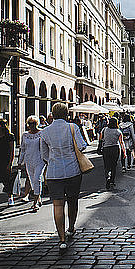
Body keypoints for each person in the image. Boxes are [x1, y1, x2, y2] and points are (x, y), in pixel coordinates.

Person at [40, 103, 87, 253]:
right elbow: (82, 146)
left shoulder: (45, 131)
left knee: (57, 205)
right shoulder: (72, 127)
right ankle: (71, 228)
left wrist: (53, 160)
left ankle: (61, 239)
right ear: (66, 114)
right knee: (72, 201)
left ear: (52, 114)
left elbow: (44, 155)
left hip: (54, 173)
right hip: (72, 170)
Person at [18, 116, 45, 212]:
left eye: (33, 123)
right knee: (32, 180)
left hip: (39, 160)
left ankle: (35, 202)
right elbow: (23, 149)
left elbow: (45, 146)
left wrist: (46, 158)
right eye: (30, 124)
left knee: (37, 178)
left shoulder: (41, 133)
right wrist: (20, 161)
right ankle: (38, 197)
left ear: (36, 124)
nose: (31, 126)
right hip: (28, 160)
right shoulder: (25, 135)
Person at [0, 119, 15, 212]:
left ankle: (10, 197)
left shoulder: (9, 136)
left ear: (3, 126)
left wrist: (10, 164)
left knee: (7, 182)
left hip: (4, 162)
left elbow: (12, 151)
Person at [99, 117, 126, 189]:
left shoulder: (104, 129)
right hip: (115, 149)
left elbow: (100, 138)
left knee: (107, 165)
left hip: (106, 149)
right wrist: (124, 152)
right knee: (114, 165)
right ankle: (112, 181)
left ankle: (108, 176)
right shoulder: (118, 131)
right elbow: (121, 142)